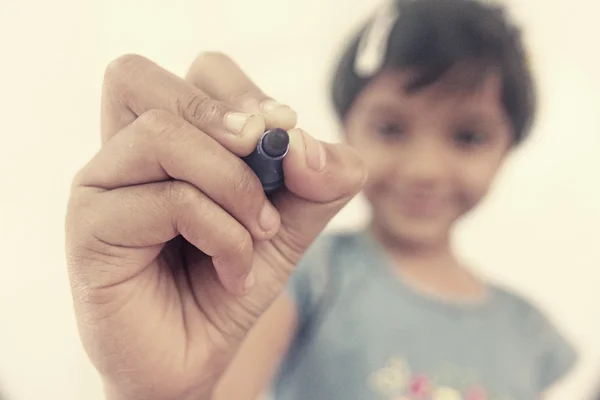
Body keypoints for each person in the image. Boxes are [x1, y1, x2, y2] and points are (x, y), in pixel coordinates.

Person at [64, 0, 577, 399]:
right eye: (390, 128)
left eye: (467, 137)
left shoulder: (532, 333)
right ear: (346, 125)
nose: (424, 169)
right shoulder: (302, 272)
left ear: (510, 147)